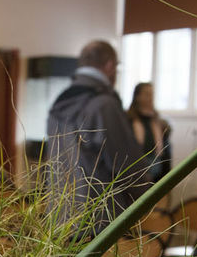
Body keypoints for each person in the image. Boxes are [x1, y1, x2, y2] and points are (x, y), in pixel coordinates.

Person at [45, 40, 146, 231]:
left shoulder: (59, 103)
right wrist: (147, 194)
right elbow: (127, 165)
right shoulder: (103, 105)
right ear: (109, 66)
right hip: (100, 220)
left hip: (61, 218)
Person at [125, 82, 171, 182]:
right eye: (147, 94)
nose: (150, 98)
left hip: (156, 166)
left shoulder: (158, 122)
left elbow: (165, 151)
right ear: (137, 97)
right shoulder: (128, 120)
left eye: (152, 94)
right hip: (137, 167)